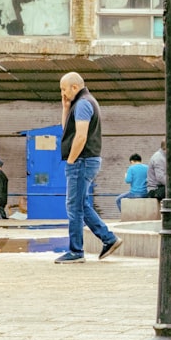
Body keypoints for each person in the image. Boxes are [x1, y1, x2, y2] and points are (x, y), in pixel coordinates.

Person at [55, 72, 122, 264]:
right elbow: (67, 130)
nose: (63, 93)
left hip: (81, 161)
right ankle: (109, 239)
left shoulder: (83, 103)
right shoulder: (80, 103)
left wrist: (71, 161)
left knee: (73, 206)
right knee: (82, 204)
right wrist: (65, 107)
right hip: (85, 161)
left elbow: (81, 136)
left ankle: (76, 251)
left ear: (74, 87)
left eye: (64, 89)